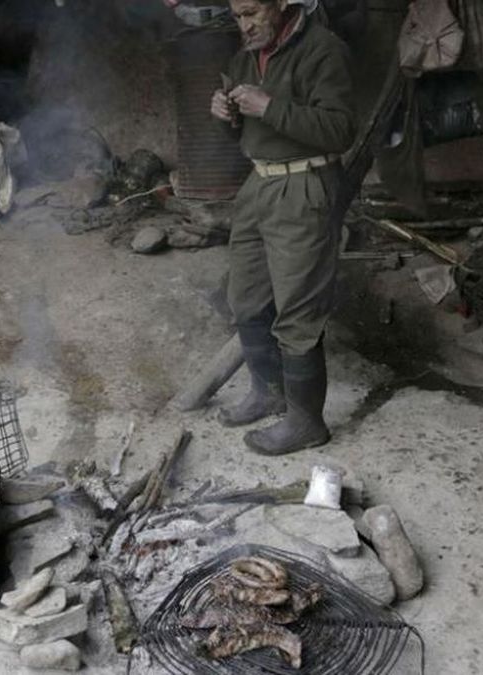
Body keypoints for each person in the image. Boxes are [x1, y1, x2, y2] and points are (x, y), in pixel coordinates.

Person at [210, 0, 355, 455]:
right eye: (237, 15)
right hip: (259, 184)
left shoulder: (323, 50)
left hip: (304, 184)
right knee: (246, 297)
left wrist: (269, 106)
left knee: (297, 310)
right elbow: (246, 136)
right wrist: (227, 117)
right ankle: (267, 393)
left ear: (283, 4)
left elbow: (340, 129)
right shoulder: (243, 57)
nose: (244, 24)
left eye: (253, 12)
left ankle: (306, 422)